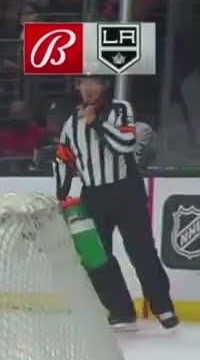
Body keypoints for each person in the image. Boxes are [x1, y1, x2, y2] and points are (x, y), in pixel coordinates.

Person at [55, 75, 176, 331]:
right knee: (97, 256)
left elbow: (125, 144)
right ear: (77, 87)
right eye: (82, 83)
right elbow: (63, 160)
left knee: (140, 249)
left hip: (125, 190)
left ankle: (163, 306)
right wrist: (61, 195)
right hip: (93, 195)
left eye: (94, 83)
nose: (88, 88)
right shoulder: (70, 123)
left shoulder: (120, 109)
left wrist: (97, 122)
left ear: (105, 86)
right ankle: (120, 310)